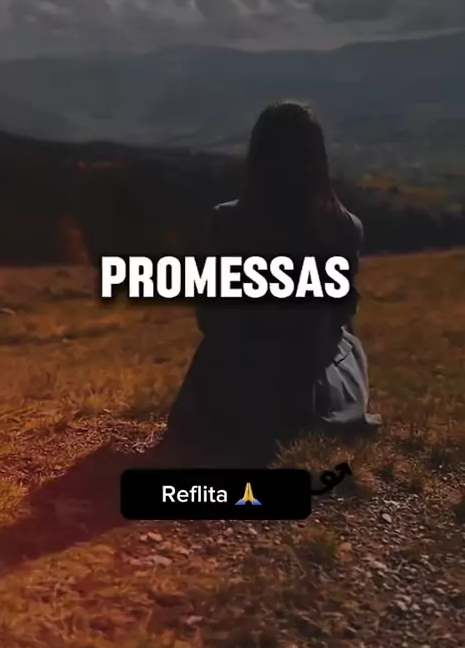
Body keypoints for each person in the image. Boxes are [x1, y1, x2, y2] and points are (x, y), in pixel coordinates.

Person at [159, 102, 381, 467]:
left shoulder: (227, 221)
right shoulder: (343, 226)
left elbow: (211, 315)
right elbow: (342, 312)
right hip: (304, 392)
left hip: (222, 394)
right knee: (349, 341)